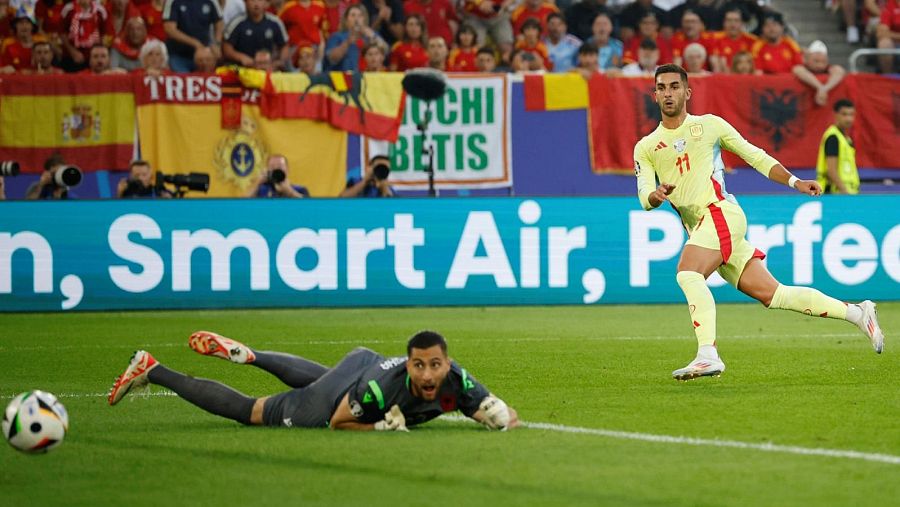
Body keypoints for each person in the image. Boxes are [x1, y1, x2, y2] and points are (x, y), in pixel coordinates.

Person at [632, 64, 885, 380]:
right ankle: (858, 312)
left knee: (688, 273)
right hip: (701, 226)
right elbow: (645, 198)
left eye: (674, 86)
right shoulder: (645, 146)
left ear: (687, 92)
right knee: (775, 295)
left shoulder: (710, 126)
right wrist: (656, 195)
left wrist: (794, 182)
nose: (668, 93)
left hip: (721, 213)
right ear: (654, 95)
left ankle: (707, 354)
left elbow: (756, 156)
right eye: (661, 87)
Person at [108, 330, 519, 432]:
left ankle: (253, 356)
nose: (429, 374)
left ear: (447, 364)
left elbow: (501, 412)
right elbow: (340, 421)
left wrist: (497, 415)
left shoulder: (459, 381)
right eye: (420, 366)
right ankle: (152, 369)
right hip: (357, 387)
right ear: (409, 365)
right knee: (255, 412)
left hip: (360, 363)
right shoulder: (380, 391)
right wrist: (377, 426)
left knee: (326, 381)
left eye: (436, 365)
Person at [223, 0, 289, 69]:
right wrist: (240, 57)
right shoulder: (237, 23)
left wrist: (280, 61)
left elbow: (284, 46)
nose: (256, 4)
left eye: (259, 0)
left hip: (268, 68)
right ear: (245, 2)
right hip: (242, 69)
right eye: (252, 0)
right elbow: (226, 48)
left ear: (266, 3)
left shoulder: (275, 22)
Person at [163, 0, 223, 73]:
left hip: (204, 54)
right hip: (178, 55)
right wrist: (195, 43)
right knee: (184, 80)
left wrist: (217, 43)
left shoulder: (212, 1)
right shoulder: (172, 1)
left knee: (207, 79)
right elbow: (170, 29)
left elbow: (219, 23)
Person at [816, 99, 860, 195]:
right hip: (836, 194)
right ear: (835, 115)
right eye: (844, 114)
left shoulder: (846, 139)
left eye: (851, 114)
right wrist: (845, 193)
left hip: (848, 193)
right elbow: (831, 171)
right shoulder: (833, 137)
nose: (849, 119)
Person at [323, 4, 385, 71]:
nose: (356, 19)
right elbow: (331, 59)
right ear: (346, 20)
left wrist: (373, 36)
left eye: (360, 15)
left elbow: (386, 52)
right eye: (353, 15)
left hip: (369, 76)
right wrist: (347, 43)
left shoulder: (371, 34)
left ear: (364, 19)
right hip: (344, 78)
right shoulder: (337, 36)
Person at [792, 40, 846, 107]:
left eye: (823, 62)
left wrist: (825, 88)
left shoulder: (829, 68)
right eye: (816, 61)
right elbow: (798, 70)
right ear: (807, 60)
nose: (820, 65)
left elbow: (839, 71)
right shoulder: (801, 67)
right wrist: (820, 87)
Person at [711, 6, 758, 73]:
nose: (732, 25)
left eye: (736, 21)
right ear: (723, 23)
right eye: (729, 20)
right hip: (724, 78)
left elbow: (755, 67)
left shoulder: (752, 41)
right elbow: (716, 66)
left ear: (742, 23)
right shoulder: (714, 38)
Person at [876, 0, 900, 73]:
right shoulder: (890, 4)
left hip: (895, 39)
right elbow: (881, 33)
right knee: (884, 43)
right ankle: (888, 76)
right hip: (895, 43)